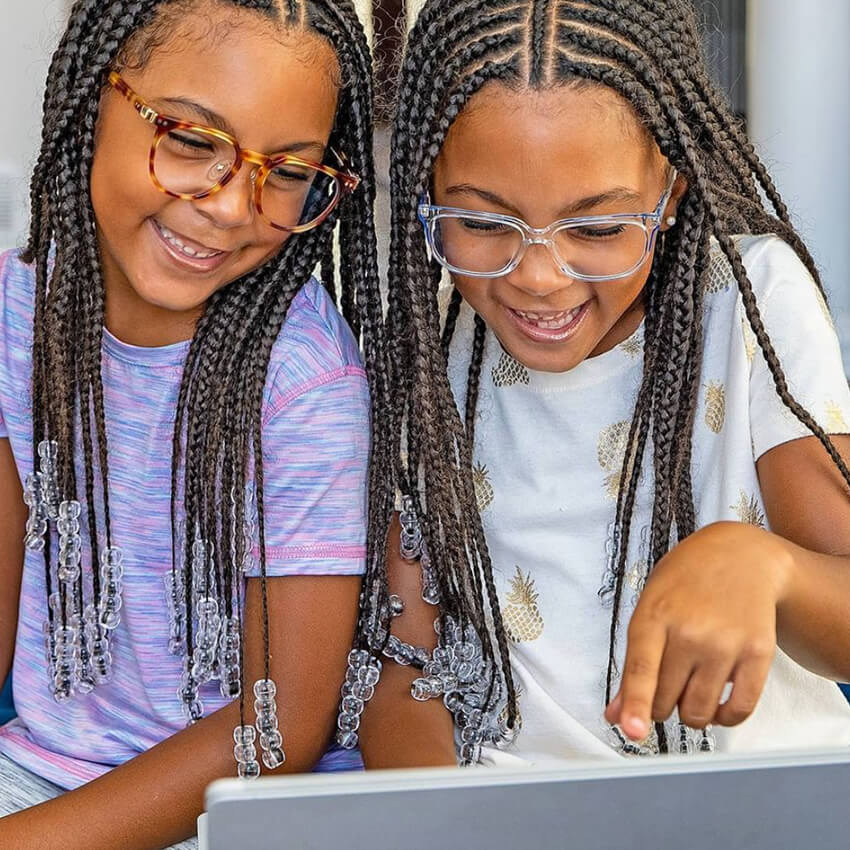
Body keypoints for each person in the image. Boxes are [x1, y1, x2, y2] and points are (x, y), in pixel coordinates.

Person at [349, 0, 850, 770]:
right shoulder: (426, 349)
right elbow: (407, 666)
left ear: (671, 191)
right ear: (425, 189)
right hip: (504, 820)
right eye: (483, 224)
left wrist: (767, 567)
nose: (540, 277)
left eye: (597, 228)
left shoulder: (748, 305)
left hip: (750, 816)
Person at [0, 0, 384, 846]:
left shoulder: (305, 381)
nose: (230, 205)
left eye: (287, 172)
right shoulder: (17, 307)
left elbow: (278, 734)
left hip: (235, 812)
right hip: (35, 771)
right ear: (88, 97)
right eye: (192, 140)